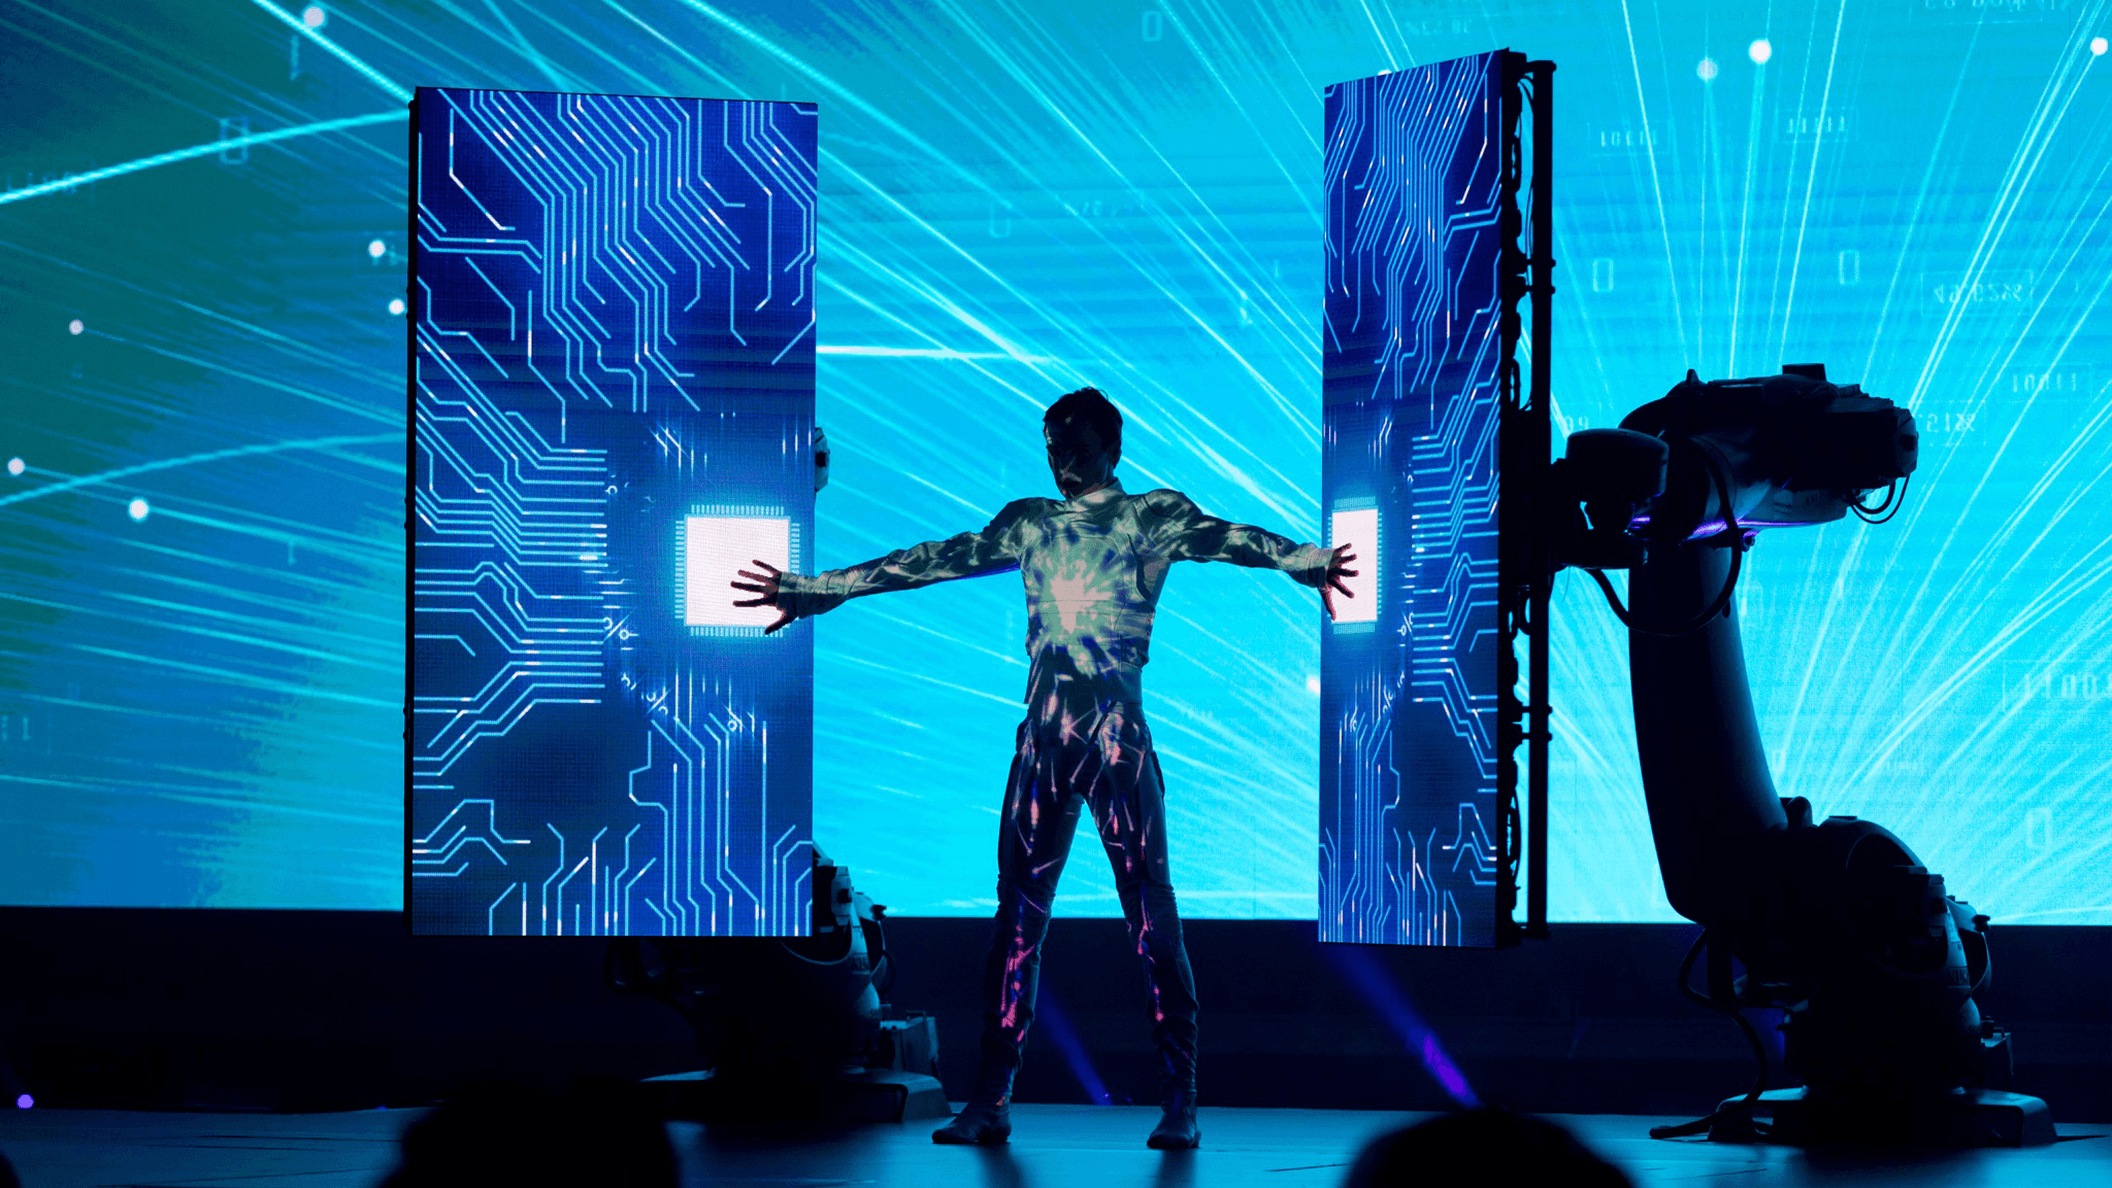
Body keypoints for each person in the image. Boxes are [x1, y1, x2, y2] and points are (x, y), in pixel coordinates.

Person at [733, 386, 1356, 1149]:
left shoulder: (1148, 516)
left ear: (1110, 448)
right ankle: (991, 1100)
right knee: (1017, 928)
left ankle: (1180, 1100)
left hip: (1116, 738)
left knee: (1152, 922)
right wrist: (823, 588)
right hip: (1045, 742)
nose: (1061, 458)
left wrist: (1305, 560)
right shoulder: (1031, 521)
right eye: (1052, 445)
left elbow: (1230, 538)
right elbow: (932, 559)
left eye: (1074, 444)